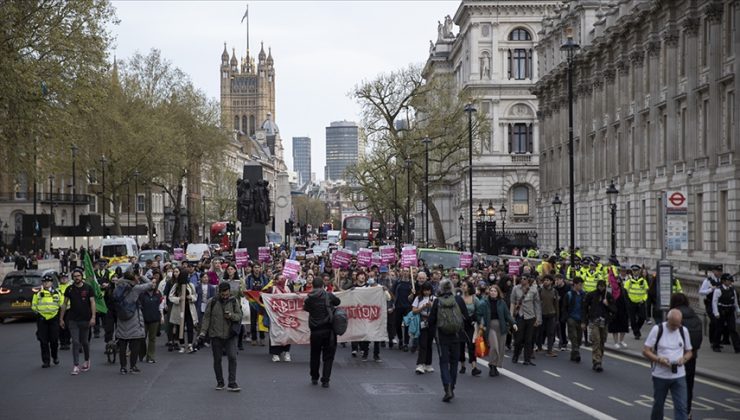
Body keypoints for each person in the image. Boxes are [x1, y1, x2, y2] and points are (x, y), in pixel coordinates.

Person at [643, 309, 693, 420]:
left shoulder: (683, 331)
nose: (675, 327)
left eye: (678, 324)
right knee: (658, 406)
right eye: (673, 325)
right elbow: (646, 351)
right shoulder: (658, 329)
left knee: (681, 407)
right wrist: (659, 359)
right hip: (660, 376)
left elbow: (689, 352)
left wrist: (683, 359)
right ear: (667, 320)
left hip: (679, 376)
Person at [428, 279, 470, 402]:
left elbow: (431, 321)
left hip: (442, 336)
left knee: (443, 362)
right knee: (454, 363)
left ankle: (447, 388)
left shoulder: (437, 302)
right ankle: (453, 385)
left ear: (440, 289)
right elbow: (466, 317)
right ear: (452, 288)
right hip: (457, 336)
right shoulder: (458, 300)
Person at [199, 282, 242, 392]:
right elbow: (206, 318)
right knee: (217, 360)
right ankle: (220, 381)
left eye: (226, 294)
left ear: (229, 292)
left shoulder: (233, 301)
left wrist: (231, 316)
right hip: (216, 335)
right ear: (219, 292)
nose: (225, 296)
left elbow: (239, 316)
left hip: (230, 335)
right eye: (223, 295)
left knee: (232, 357)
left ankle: (232, 382)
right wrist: (203, 332)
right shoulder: (212, 301)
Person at [303, 276, 341, 388]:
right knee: (328, 356)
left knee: (314, 354)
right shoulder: (328, 295)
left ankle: (314, 377)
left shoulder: (309, 298)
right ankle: (325, 380)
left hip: (315, 330)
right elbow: (338, 302)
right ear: (323, 286)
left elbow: (306, 308)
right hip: (328, 330)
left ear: (313, 286)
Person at [670, 293, 703, 419]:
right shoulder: (694, 315)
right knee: (689, 386)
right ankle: (688, 412)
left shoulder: (675, 315)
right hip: (692, 356)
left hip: (678, 358)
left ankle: (681, 414)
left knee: (676, 387)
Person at [114, 272, 154, 374]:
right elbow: (151, 284)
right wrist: (141, 276)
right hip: (133, 318)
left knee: (122, 346)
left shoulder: (117, 287)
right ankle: (133, 366)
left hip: (121, 318)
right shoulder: (135, 289)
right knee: (134, 345)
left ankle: (123, 367)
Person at [59, 269, 95, 375]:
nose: (77, 278)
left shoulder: (88, 288)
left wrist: (93, 317)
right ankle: (76, 365)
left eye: (78, 276)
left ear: (82, 276)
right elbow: (64, 304)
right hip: (73, 320)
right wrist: (61, 318)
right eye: (74, 276)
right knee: (75, 342)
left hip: (85, 319)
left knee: (84, 342)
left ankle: (87, 360)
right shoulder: (69, 289)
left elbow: (92, 303)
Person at [476, 284, 516, 377]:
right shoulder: (484, 303)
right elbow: (478, 314)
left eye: (495, 291)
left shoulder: (502, 302)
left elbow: (507, 315)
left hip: (501, 327)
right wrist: (482, 324)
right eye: (491, 291)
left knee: (501, 348)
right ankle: (492, 365)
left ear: (498, 293)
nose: (493, 293)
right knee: (494, 347)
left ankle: (494, 366)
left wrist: (513, 323)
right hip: (490, 327)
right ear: (489, 292)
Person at [583, 280, 615, 372]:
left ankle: (599, 359)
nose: (601, 288)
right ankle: (596, 361)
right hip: (594, 321)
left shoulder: (608, 296)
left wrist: (607, 304)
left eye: (603, 286)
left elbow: (614, 309)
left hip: (604, 322)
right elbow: (584, 308)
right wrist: (584, 321)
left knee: (602, 341)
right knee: (596, 340)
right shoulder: (591, 295)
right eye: (599, 286)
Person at [32, 275, 62, 368]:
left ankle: (55, 356)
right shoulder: (38, 293)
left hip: (54, 318)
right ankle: (46, 361)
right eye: (44, 281)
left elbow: (61, 304)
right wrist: (37, 311)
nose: (46, 283)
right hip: (42, 319)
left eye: (48, 281)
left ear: (51, 283)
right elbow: (34, 305)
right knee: (43, 341)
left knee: (54, 340)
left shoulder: (57, 293)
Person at [510, 276, 542, 366]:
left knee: (529, 339)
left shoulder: (534, 290)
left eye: (524, 279)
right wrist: (511, 316)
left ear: (528, 280)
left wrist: (538, 318)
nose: (522, 280)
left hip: (530, 316)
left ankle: (527, 359)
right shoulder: (516, 288)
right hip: (520, 316)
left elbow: (537, 305)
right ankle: (516, 355)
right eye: (521, 278)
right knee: (518, 339)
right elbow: (512, 302)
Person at [169, 271, 198, 353]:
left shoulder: (190, 285)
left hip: (189, 309)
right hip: (179, 309)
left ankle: (189, 344)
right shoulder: (176, 286)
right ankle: (181, 345)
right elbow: (170, 296)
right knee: (179, 328)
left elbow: (195, 296)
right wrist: (178, 299)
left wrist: (190, 297)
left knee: (190, 327)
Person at [711, 273, 740, 353]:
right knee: (719, 328)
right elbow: (714, 302)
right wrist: (716, 313)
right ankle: (716, 345)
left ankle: (737, 347)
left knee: (732, 329)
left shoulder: (732, 290)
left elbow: (735, 301)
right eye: (728, 281)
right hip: (721, 310)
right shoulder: (718, 290)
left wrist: (738, 310)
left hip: (730, 310)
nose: (730, 282)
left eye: (731, 281)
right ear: (723, 281)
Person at [458, 280, 481, 375]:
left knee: (471, 346)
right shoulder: (458, 299)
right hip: (461, 325)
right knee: (461, 346)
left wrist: (474, 319)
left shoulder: (475, 299)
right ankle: (462, 365)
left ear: (469, 287)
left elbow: (479, 311)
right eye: (462, 285)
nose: (463, 287)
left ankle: (474, 367)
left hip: (471, 324)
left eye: (465, 285)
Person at [412, 282, 435, 374]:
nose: (426, 292)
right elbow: (414, 311)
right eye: (425, 290)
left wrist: (432, 306)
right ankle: (420, 364)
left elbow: (438, 310)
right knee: (422, 343)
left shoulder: (434, 299)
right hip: (422, 321)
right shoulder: (418, 298)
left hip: (431, 322)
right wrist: (422, 307)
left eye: (428, 290)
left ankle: (428, 363)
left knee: (429, 344)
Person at [267, 274, 292, 362]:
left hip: (286, 315)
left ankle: (286, 352)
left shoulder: (287, 288)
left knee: (287, 334)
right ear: (276, 280)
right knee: (275, 334)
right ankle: (275, 353)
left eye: (283, 278)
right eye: (280, 278)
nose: (282, 280)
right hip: (275, 316)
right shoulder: (272, 289)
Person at [139, 275, 163, 364]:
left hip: (154, 319)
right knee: (142, 338)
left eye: (154, 283)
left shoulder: (158, 293)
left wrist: (162, 316)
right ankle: (142, 353)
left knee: (152, 339)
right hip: (144, 319)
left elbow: (161, 305)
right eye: (151, 282)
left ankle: (151, 356)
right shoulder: (142, 294)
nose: (153, 284)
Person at [563, 277, 585, 363]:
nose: (581, 286)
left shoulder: (584, 294)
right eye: (580, 285)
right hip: (571, 318)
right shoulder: (569, 294)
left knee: (579, 338)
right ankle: (576, 351)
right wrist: (567, 318)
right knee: (573, 336)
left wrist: (584, 321)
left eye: (582, 285)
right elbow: (564, 307)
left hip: (580, 319)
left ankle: (574, 354)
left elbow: (585, 308)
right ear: (575, 284)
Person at [624, 266, 649, 340]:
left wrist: (643, 300)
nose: (635, 272)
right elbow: (625, 291)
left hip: (640, 302)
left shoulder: (643, 281)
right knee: (632, 319)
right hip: (631, 302)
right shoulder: (629, 281)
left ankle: (636, 329)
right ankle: (636, 333)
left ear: (639, 271)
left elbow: (646, 292)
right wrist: (628, 301)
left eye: (637, 271)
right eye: (634, 271)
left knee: (642, 317)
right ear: (632, 272)